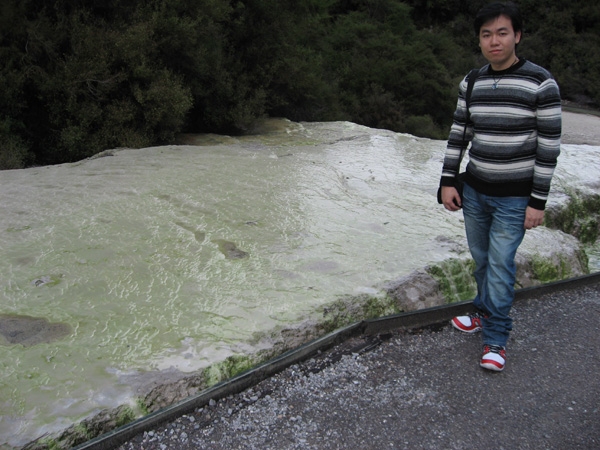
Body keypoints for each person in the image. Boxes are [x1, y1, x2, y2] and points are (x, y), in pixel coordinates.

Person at [439, 2, 561, 371]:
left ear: (517, 36)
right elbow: (459, 134)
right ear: (479, 40)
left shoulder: (541, 83)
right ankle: (481, 310)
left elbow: (548, 149)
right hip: (474, 189)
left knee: (501, 265)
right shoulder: (472, 81)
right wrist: (447, 180)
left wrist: (537, 202)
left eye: (502, 33)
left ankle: (496, 338)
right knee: (481, 260)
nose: (494, 41)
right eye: (486, 34)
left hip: (514, 197)